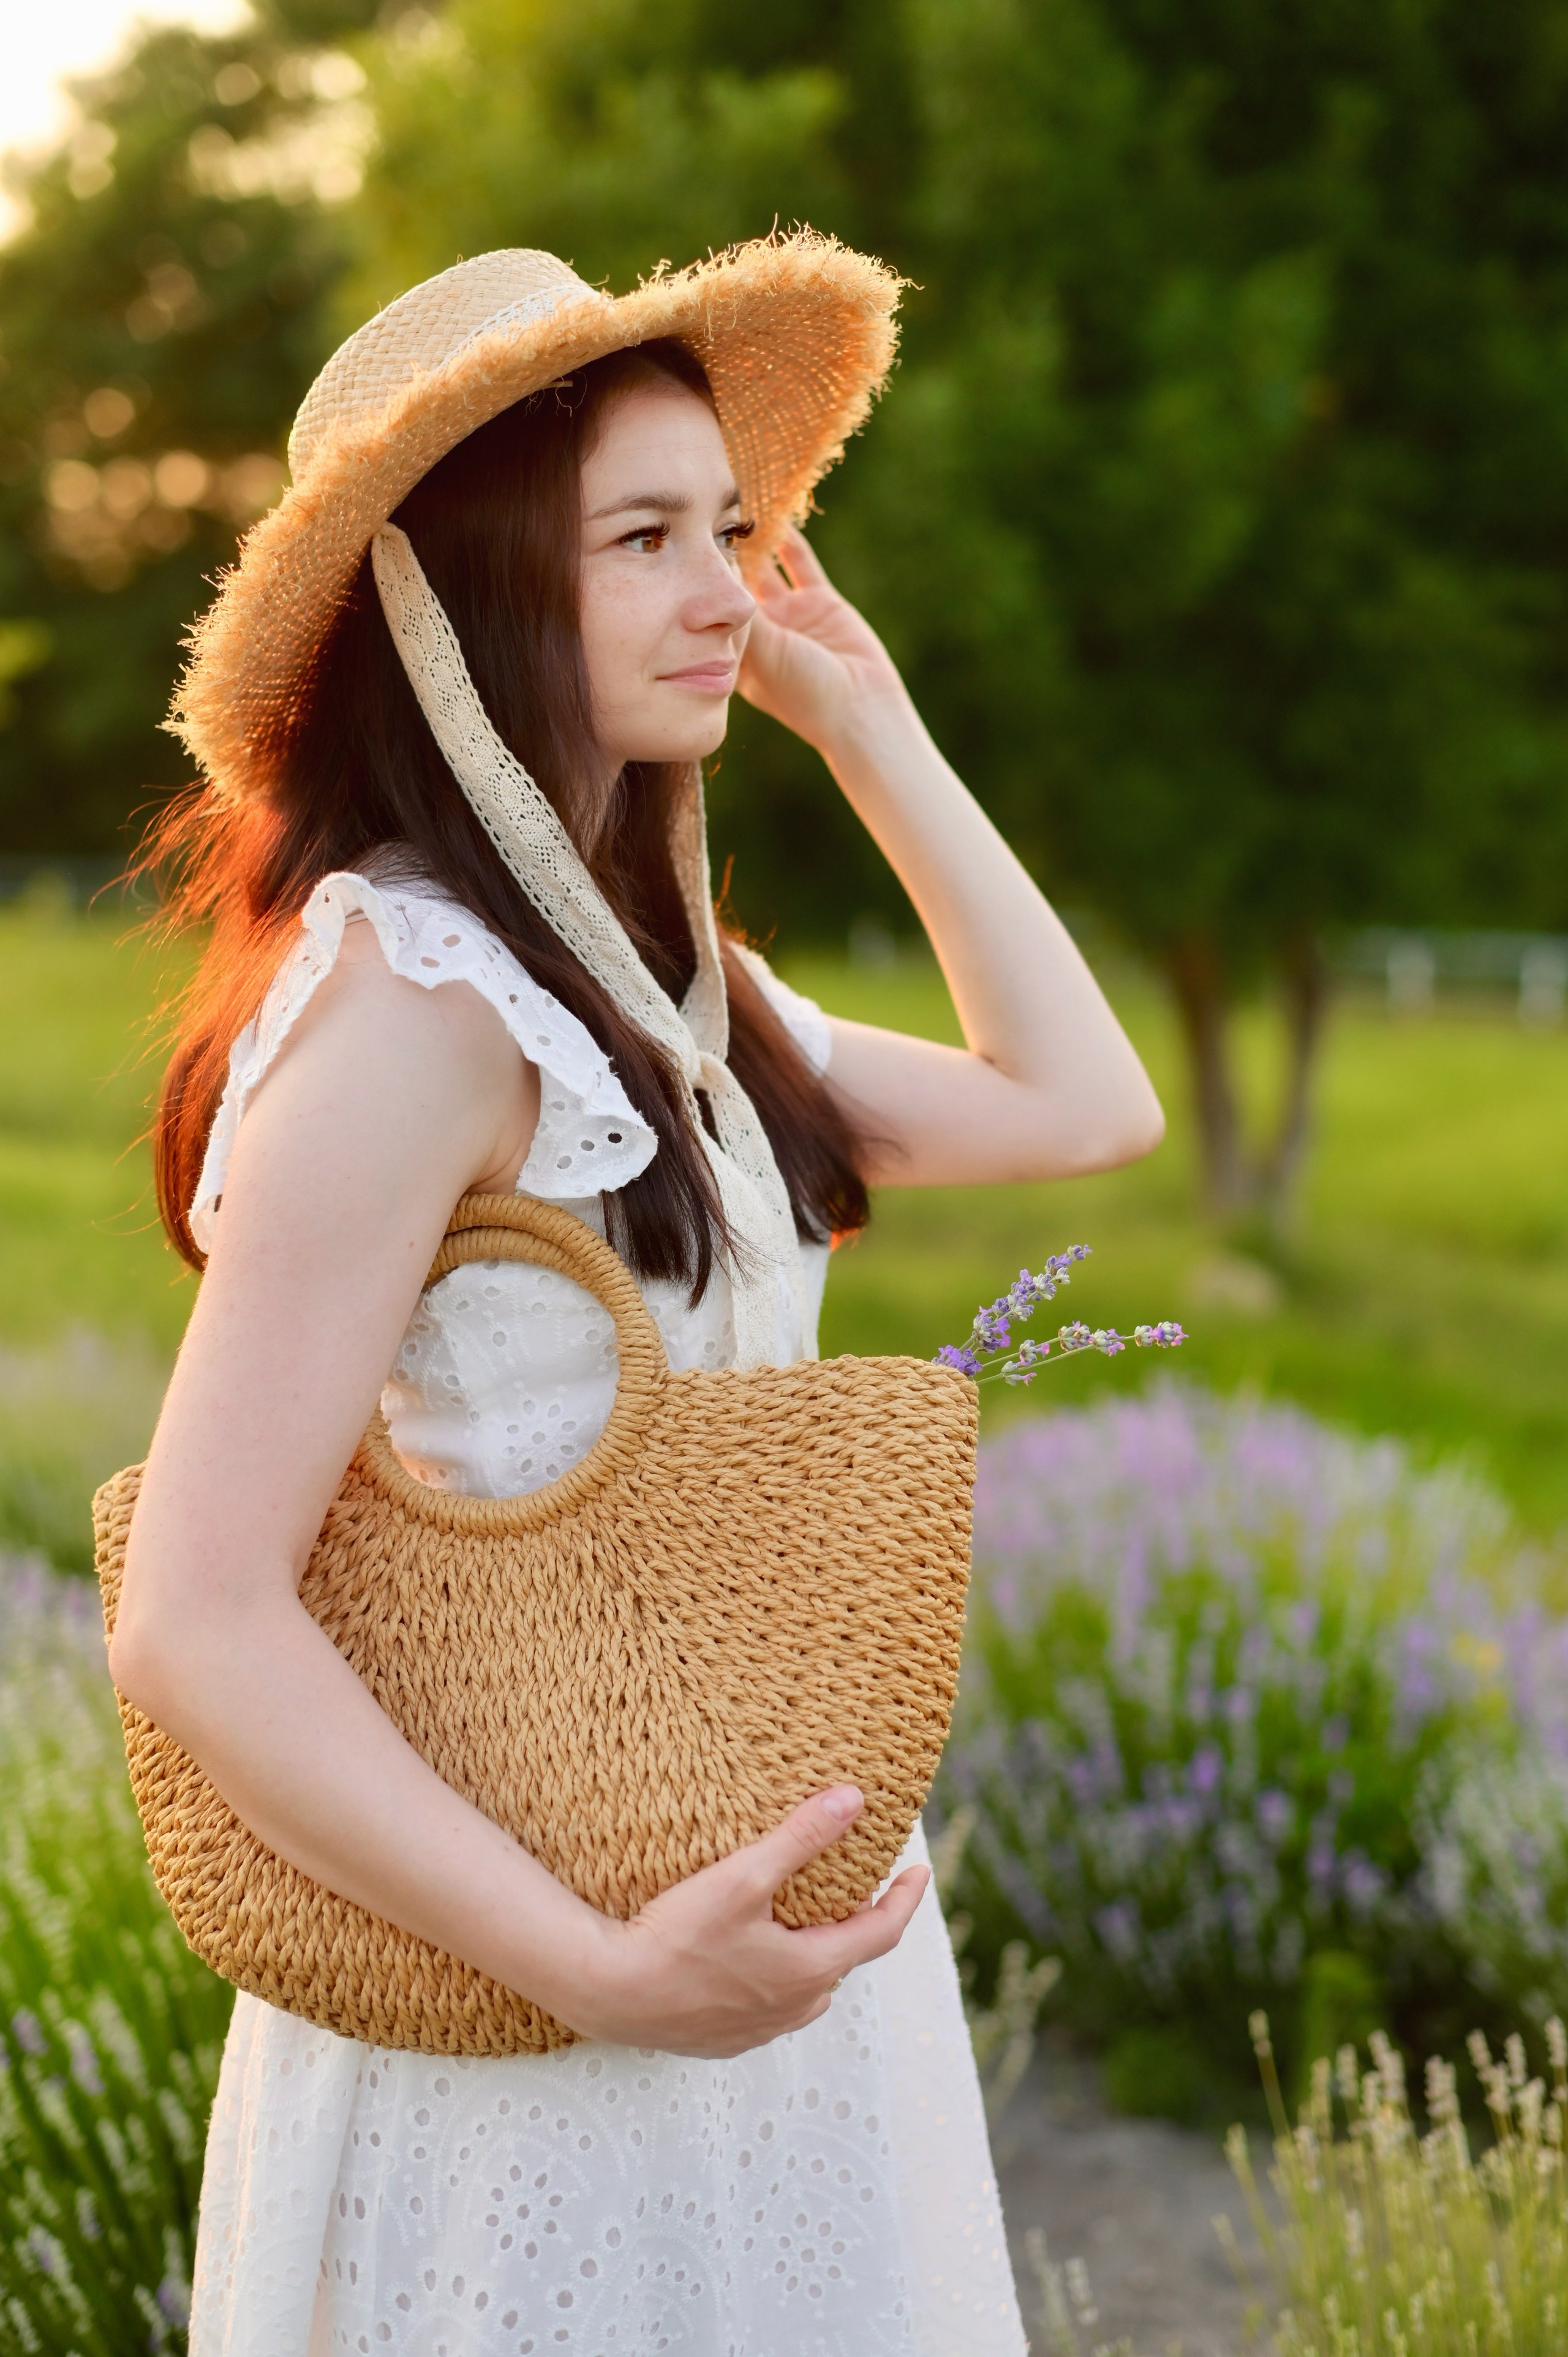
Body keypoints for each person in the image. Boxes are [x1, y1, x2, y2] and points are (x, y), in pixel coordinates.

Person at [108, 235, 1164, 2355]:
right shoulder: (413, 994)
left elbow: (1083, 1103)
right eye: (645, 540)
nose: (729, 593)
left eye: (738, 529)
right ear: (469, 590)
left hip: (749, 1925)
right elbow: (193, 1611)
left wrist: (871, 728)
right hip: (524, 1973)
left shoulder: (663, 988)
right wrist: (598, 1976)